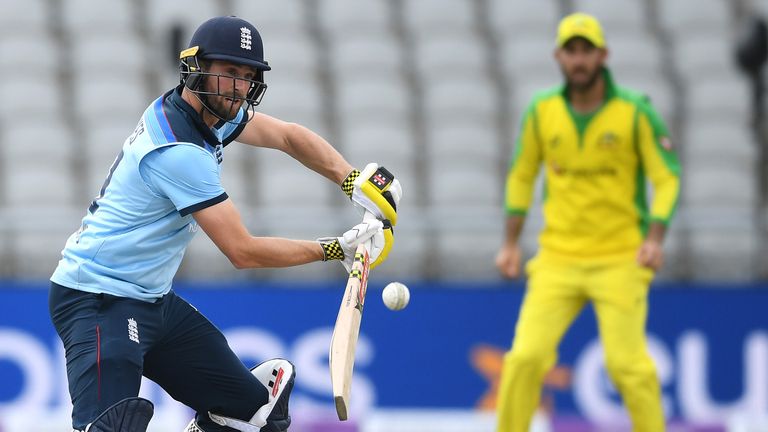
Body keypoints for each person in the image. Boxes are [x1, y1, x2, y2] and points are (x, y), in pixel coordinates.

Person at [49, 16, 402, 432]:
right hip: (96, 299)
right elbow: (242, 251)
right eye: (229, 72)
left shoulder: (209, 110)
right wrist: (334, 249)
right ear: (196, 68)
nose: (238, 87)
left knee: (254, 417)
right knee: (113, 426)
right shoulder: (178, 150)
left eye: (247, 76)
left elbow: (288, 137)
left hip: (153, 302)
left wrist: (352, 180)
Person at [494, 13, 680, 432]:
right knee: (524, 358)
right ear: (559, 57)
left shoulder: (634, 112)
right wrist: (510, 243)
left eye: (587, 51)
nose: (579, 60)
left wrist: (655, 237)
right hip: (558, 258)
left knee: (627, 367)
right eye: (571, 51)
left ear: (603, 55)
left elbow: (666, 177)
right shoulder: (543, 112)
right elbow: (522, 175)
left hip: (620, 257)